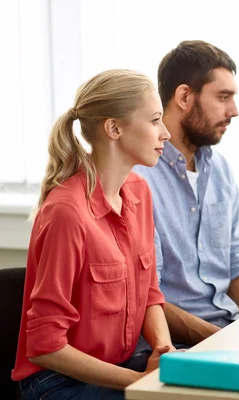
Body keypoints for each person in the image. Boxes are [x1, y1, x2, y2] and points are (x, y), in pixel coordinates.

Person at [12, 69, 175, 399]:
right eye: (155, 120)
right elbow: (45, 348)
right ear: (114, 128)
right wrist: (139, 382)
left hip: (121, 366)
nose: (166, 133)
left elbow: (149, 294)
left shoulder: (140, 192)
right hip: (57, 382)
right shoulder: (66, 213)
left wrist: (164, 350)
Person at [133, 41, 239, 347]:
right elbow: (144, 298)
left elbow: (235, 267)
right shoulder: (137, 178)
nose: (234, 111)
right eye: (223, 97)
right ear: (184, 96)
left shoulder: (220, 170)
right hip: (174, 347)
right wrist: (223, 342)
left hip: (226, 332)